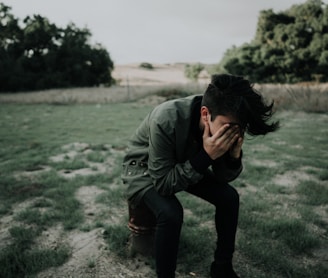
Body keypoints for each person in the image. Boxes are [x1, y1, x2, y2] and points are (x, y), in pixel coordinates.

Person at [122, 74, 279, 278]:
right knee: (170, 213)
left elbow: (224, 178)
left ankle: (222, 268)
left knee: (229, 198)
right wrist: (206, 156)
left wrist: (232, 156)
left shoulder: (223, 117)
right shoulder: (166, 118)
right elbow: (163, 184)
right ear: (205, 114)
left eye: (241, 128)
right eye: (230, 127)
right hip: (144, 169)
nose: (234, 133)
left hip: (185, 164)